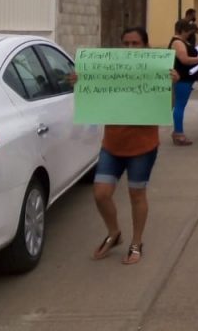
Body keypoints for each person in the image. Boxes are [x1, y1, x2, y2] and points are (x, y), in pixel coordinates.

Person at [72, 27, 178, 265]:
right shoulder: (112, 69)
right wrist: (79, 81)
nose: (130, 48)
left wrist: (171, 84)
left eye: (136, 43)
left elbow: (167, 107)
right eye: (126, 43)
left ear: (145, 46)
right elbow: (92, 94)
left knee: (136, 194)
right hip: (112, 144)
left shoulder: (156, 70)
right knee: (100, 194)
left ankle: (136, 242)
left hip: (143, 146)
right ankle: (114, 233)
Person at [170, 20, 198, 146]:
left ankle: (177, 132)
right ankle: (178, 133)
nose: (189, 34)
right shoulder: (178, 42)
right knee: (179, 106)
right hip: (182, 78)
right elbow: (184, 59)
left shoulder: (182, 42)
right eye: (188, 32)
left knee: (180, 105)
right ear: (182, 30)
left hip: (186, 78)